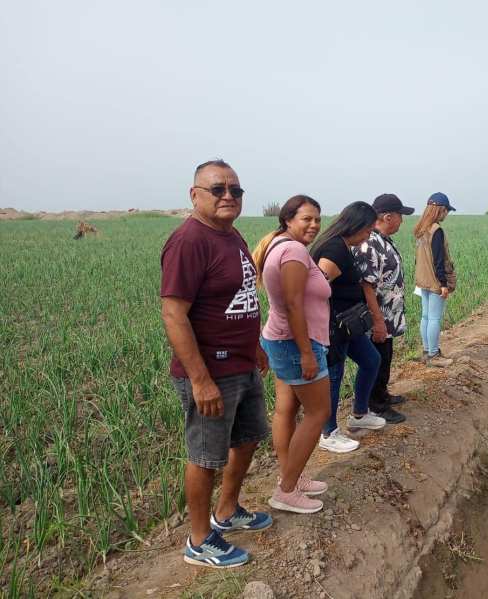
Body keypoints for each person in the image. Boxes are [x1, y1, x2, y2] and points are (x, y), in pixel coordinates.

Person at [160, 159, 272, 569]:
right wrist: (200, 379)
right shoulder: (189, 241)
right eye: (218, 189)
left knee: (248, 439)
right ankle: (199, 539)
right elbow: (174, 314)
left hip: (242, 363)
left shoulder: (232, 235)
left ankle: (227, 510)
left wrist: (254, 347)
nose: (229, 196)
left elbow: (242, 296)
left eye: (235, 190)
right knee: (206, 456)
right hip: (211, 372)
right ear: (195, 195)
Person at [253, 195, 331, 514]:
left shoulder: (277, 244)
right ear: (288, 220)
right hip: (296, 343)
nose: (313, 225)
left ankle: (292, 476)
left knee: (286, 409)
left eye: (317, 219)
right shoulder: (294, 251)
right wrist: (306, 353)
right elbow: (293, 305)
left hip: (279, 339)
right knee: (317, 413)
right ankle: (286, 489)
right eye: (306, 219)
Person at [311, 201, 385, 453]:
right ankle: (328, 432)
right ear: (355, 225)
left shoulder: (343, 245)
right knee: (334, 375)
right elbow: (315, 289)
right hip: (333, 325)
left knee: (371, 359)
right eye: (367, 230)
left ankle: (359, 414)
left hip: (348, 324)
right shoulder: (334, 249)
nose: (368, 235)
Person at [353, 193, 415, 424]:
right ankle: (375, 405)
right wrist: (377, 320)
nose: (402, 221)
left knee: (385, 357)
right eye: (400, 216)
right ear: (388, 217)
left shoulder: (383, 240)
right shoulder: (370, 243)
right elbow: (366, 285)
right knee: (376, 359)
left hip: (388, 317)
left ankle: (382, 395)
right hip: (378, 317)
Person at [414, 192, 457, 368]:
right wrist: (443, 284)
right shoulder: (436, 230)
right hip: (434, 281)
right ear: (441, 210)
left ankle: (426, 351)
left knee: (425, 316)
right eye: (446, 211)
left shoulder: (421, 230)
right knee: (434, 319)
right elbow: (439, 260)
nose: (446, 214)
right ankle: (433, 354)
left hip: (422, 279)